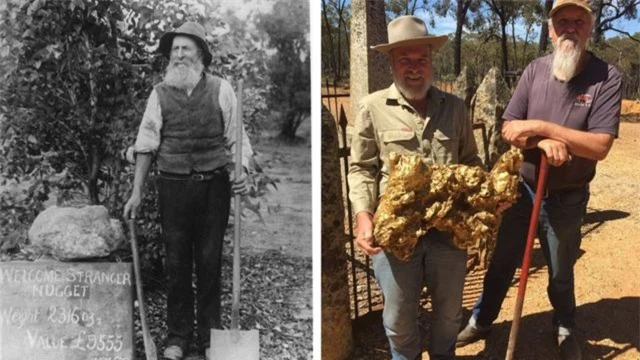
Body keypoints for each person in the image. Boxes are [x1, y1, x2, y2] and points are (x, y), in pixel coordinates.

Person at [456, 1, 621, 359]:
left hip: (567, 196)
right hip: (524, 190)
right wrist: (541, 141)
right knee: (501, 262)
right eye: (562, 20)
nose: (570, 27)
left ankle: (564, 327)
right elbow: (509, 128)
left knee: (561, 271)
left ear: (590, 28)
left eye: (579, 21)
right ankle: (482, 319)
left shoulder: (606, 77)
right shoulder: (534, 71)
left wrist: (543, 126)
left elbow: (600, 145)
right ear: (550, 29)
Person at [348, 15, 483, 360]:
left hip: (448, 232)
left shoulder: (454, 109)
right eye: (404, 60)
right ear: (391, 62)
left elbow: (470, 162)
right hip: (395, 234)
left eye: (421, 59)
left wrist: (480, 200)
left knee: (449, 314)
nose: (413, 68)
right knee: (398, 318)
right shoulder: (372, 108)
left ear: (430, 61)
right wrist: (364, 217)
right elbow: (361, 168)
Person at [123, 21, 253, 360]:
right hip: (173, 188)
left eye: (186, 49)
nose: (178, 55)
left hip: (214, 188)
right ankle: (177, 337)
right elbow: (146, 144)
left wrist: (241, 172)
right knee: (177, 262)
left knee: (210, 261)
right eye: (175, 50)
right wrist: (137, 191)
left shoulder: (222, 89)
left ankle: (210, 338)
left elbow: (237, 140)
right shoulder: (159, 94)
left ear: (201, 55)